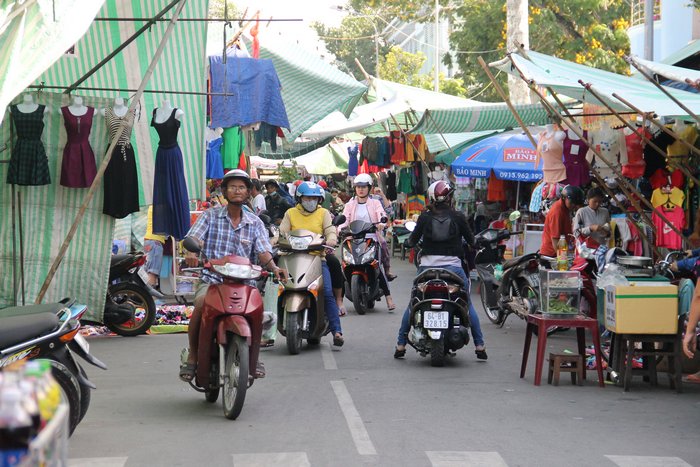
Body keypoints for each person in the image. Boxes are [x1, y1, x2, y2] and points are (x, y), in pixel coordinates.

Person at [180, 169, 287, 382]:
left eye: (241, 187)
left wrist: (275, 268)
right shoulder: (210, 216)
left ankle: (254, 357)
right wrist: (192, 252)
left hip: (244, 284)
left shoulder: (255, 222)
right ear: (225, 191)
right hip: (213, 281)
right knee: (200, 306)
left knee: (257, 311)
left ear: (248, 192)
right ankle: (193, 355)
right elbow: (195, 238)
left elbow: (263, 251)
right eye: (232, 187)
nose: (237, 191)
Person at [394, 181, 487, 360]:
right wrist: (477, 242)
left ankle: (400, 344)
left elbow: (412, 241)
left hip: (427, 269)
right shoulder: (458, 217)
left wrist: (408, 242)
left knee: (414, 302)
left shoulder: (425, 217)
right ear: (450, 197)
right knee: (467, 304)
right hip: (454, 270)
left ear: (431, 198)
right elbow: (472, 241)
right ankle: (480, 345)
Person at [279, 181, 345, 346]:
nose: (311, 201)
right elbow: (282, 231)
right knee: (276, 288)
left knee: (327, 292)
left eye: (314, 198)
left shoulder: (323, 213)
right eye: (308, 198)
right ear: (300, 198)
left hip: (317, 258)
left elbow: (330, 230)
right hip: (292, 257)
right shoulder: (290, 213)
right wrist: (276, 238)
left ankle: (337, 331)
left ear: (320, 200)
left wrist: (331, 239)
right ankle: (268, 330)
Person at [338, 174, 396, 310]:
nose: (361, 190)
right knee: (344, 265)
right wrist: (340, 228)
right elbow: (345, 219)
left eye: (363, 187)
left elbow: (381, 213)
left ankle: (388, 297)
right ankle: (339, 301)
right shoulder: (350, 204)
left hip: (372, 236)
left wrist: (382, 223)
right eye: (358, 187)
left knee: (377, 264)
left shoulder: (375, 202)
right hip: (353, 238)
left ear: (369, 188)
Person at [539, 185, 585, 257]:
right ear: (564, 198)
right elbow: (555, 239)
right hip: (552, 254)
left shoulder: (566, 209)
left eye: (576, 204)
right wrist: (563, 258)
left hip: (561, 250)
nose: (574, 206)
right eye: (572, 203)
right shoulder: (557, 211)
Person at [143, 205, 166, 298]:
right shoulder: (160, 207)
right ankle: (150, 299)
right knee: (153, 272)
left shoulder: (152, 206)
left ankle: (145, 298)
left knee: (148, 270)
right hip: (155, 242)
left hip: (149, 241)